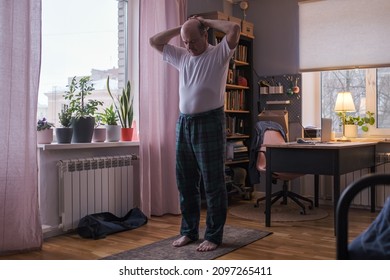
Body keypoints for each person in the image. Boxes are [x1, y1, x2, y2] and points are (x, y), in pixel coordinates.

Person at [149, 16, 241, 252]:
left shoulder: (219, 54)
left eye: (193, 41)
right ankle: (189, 231)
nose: (189, 46)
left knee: (213, 183)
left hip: (210, 122)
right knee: (185, 182)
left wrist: (205, 21)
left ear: (206, 35)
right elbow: (154, 41)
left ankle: (213, 235)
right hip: (184, 123)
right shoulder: (182, 56)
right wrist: (182, 29)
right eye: (185, 42)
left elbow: (234, 28)